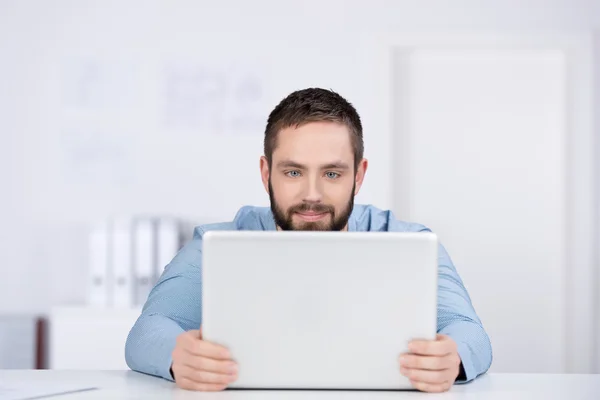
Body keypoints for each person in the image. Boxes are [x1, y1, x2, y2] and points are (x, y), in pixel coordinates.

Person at [125, 88, 492, 393]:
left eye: (332, 173)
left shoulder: (411, 243)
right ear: (266, 173)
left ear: (358, 176)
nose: (312, 194)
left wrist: (452, 357)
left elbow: (469, 331)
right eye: (293, 172)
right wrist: (178, 356)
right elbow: (149, 329)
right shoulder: (218, 242)